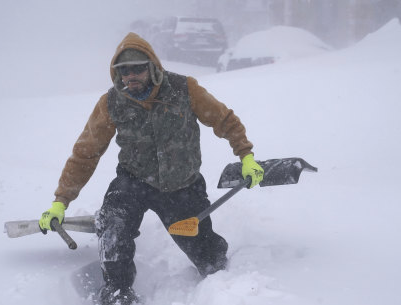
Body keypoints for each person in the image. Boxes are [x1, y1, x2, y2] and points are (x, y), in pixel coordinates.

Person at [38, 32, 264, 305]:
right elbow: (85, 153)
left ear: (152, 67)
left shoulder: (184, 89)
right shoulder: (111, 102)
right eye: (123, 71)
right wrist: (61, 201)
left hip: (182, 185)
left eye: (137, 69)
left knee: (208, 257)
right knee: (115, 225)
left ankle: (220, 278)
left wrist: (246, 156)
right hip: (133, 181)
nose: (130, 76)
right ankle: (117, 291)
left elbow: (225, 120)